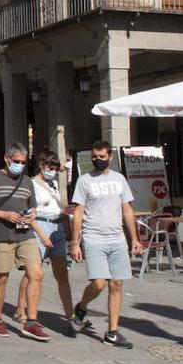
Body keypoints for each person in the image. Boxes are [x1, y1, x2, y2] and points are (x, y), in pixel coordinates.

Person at [68, 140, 143, 348]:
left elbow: (127, 209)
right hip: (94, 238)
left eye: (101, 157)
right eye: (94, 157)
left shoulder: (119, 179)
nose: (97, 160)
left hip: (117, 238)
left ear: (110, 157)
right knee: (99, 283)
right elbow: (78, 212)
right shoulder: (84, 180)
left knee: (117, 284)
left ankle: (112, 332)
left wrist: (134, 238)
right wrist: (75, 243)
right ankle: (82, 307)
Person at [0, 142, 49, 342]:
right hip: (0, 235)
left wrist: (31, 214)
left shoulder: (26, 182)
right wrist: (2, 214)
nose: (19, 165)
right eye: (16, 161)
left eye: (23, 162)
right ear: (7, 159)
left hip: (24, 234)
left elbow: (32, 206)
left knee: (37, 274)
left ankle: (32, 322)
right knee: (2, 277)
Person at [15, 149, 79, 331]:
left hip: (57, 227)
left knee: (62, 274)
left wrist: (65, 225)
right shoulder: (31, 184)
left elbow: (58, 206)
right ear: (42, 166)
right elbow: (28, 213)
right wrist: (41, 235)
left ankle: (70, 314)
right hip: (39, 227)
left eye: (56, 168)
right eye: (50, 167)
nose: (53, 171)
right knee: (33, 273)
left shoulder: (54, 185)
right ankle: (20, 309)